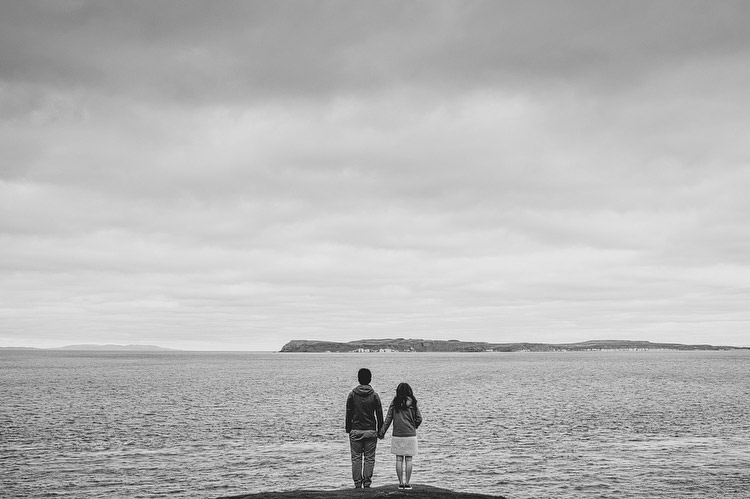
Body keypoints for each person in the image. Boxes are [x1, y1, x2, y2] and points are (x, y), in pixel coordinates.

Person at [378, 382, 423, 490]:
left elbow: (389, 418)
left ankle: (400, 483)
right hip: (410, 434)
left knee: (398, 459)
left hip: (397, 434)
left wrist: (382, 432)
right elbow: (419, 418)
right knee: (408, 460)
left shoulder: (395, 402)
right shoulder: (413, 402)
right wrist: (413, 426)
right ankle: (407, 483)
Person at [345, 368, 384, 489]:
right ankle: (367, 483)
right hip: (371, 431)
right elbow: (379, 414)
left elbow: (349, 413)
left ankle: (357, 484)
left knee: (356, 458)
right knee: (369, 458)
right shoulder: (374, 395)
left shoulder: (352, 394)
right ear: (370, 379)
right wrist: (380, 430)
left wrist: (348, 428)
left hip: (356, 430)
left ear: (358, 379)